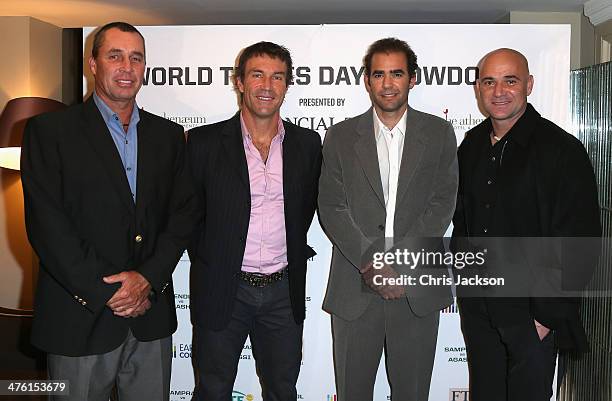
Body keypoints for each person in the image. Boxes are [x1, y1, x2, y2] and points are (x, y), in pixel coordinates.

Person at [20, 21, 198, 401]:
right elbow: (48, 227)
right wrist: (113, 291)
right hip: (80, 316)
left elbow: (182, 216)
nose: (127, 67)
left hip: (150, 315)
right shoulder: (48, 132)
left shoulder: (169, 136)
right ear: (93, 64)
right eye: (115, 55)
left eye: (136, 58)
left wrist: (145, 279)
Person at [452, 48, 601, 401]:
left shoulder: (562, 150)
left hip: (532, 314)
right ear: (478, 89)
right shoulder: (471, 144)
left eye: (510, 80)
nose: (499, 91)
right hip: (480, 309)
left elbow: (581, 240)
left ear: (529, 85)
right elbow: (464, 220)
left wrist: (545, 317)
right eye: (489, 81)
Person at [318, 37, 458, 401]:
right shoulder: (340, 136)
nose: (387, 83)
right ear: (367, 80)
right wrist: (371, 262)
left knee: (412, 394)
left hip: (416, 289)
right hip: (354, 287)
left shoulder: (440, 134)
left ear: (413, 78)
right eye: (378, 74)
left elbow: (442, 203)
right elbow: (331, 206)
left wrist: (398, 263)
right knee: (352, 392)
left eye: (397, 73)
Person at [187, 41, 322, 401]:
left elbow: (307, 208)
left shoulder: (308, 145)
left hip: (282, 292)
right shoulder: (202, 143)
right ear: (240, 82)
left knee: (282, 390)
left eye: (278, 77)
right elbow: (189, 216)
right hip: (222, 290)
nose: (267, 86)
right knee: (212, 389)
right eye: (258, 75)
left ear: (287, 85)